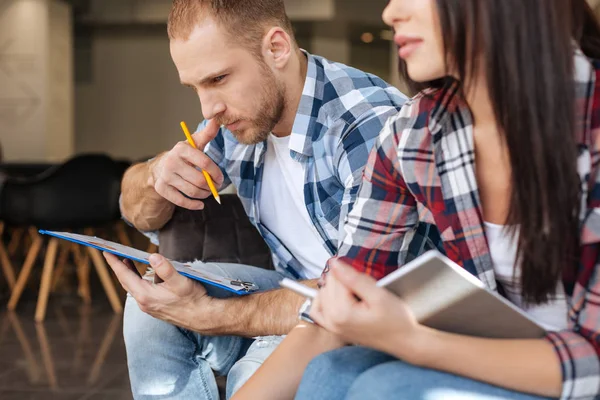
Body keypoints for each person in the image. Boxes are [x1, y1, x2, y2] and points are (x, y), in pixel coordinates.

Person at [233, 0, 600, 399]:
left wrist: (413, 342)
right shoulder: (416, 131)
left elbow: (593, 360)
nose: (390, 14)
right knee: (329, 372)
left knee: (385, 387)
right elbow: (338, 302)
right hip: (491, 355)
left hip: (576, 374)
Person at [104, 1, 440, 399]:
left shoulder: (363, 125)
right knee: (150, 309)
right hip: (298, 291)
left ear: (276, 48)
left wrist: (212, 316)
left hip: (373, 309)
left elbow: (362, 292)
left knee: (254, 370)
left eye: (218, 79)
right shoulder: (236, 119)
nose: (207, 107)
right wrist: (157, 174)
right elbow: (136, 212)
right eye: (195, 87)